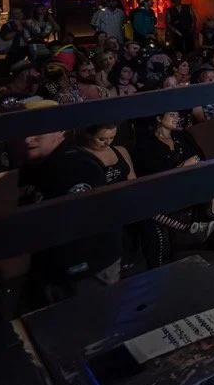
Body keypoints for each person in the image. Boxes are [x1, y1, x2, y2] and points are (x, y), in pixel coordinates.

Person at [17, 111, 131, 298]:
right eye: (25, 132)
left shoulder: (76, 165)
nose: (28, 139)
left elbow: (79, 226)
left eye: (38, 133)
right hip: (55, 264)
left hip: (86, 267)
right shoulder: (35, 166)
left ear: (60, 132)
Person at [132, 110, 214, 262]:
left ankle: (209, 231)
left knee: (212, 183)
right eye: (171, 115)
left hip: (190, 183)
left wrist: (191, 164)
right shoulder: (146, 145)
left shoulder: (182, 135)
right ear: (159, 118)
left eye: (177, 115)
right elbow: (156, 176)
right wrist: (183, 166)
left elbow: (200, 155)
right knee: (151, 210)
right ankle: (199, 230)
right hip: (165, 189)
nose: (176, 118)